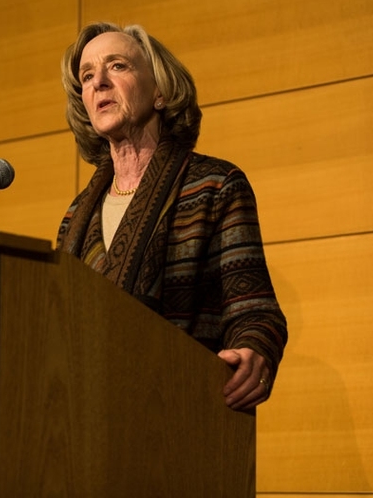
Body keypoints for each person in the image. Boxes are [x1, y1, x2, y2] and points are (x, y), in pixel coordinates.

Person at [56, 21, 287, 411]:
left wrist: (253, 351)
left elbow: (255, 311)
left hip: (182, 416)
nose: (99, 83)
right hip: (86, 422)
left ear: (160, 91)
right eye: (87, 76)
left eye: (117, 66)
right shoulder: (77, 215)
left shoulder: (215, 186)